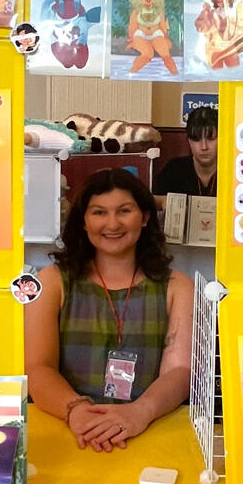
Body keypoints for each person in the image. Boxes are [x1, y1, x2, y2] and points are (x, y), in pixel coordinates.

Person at [25, 169, 193, 452]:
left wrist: (140, 412)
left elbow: (179, 370)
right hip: (67, 427)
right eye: (99, 212)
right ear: (83, 221)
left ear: (145, 217)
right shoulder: (52, 281)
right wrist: (76, 410)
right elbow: (37, 367)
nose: (112, 223)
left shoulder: (178, 286)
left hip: (149, 429)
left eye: (124, 211)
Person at [153, 106, 218, 202]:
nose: (204, 147)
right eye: (196, 140)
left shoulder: (234, 171)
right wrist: (161, 201)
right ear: (189, 141)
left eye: (210, 139)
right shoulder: (174, 170)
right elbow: (152, 201)